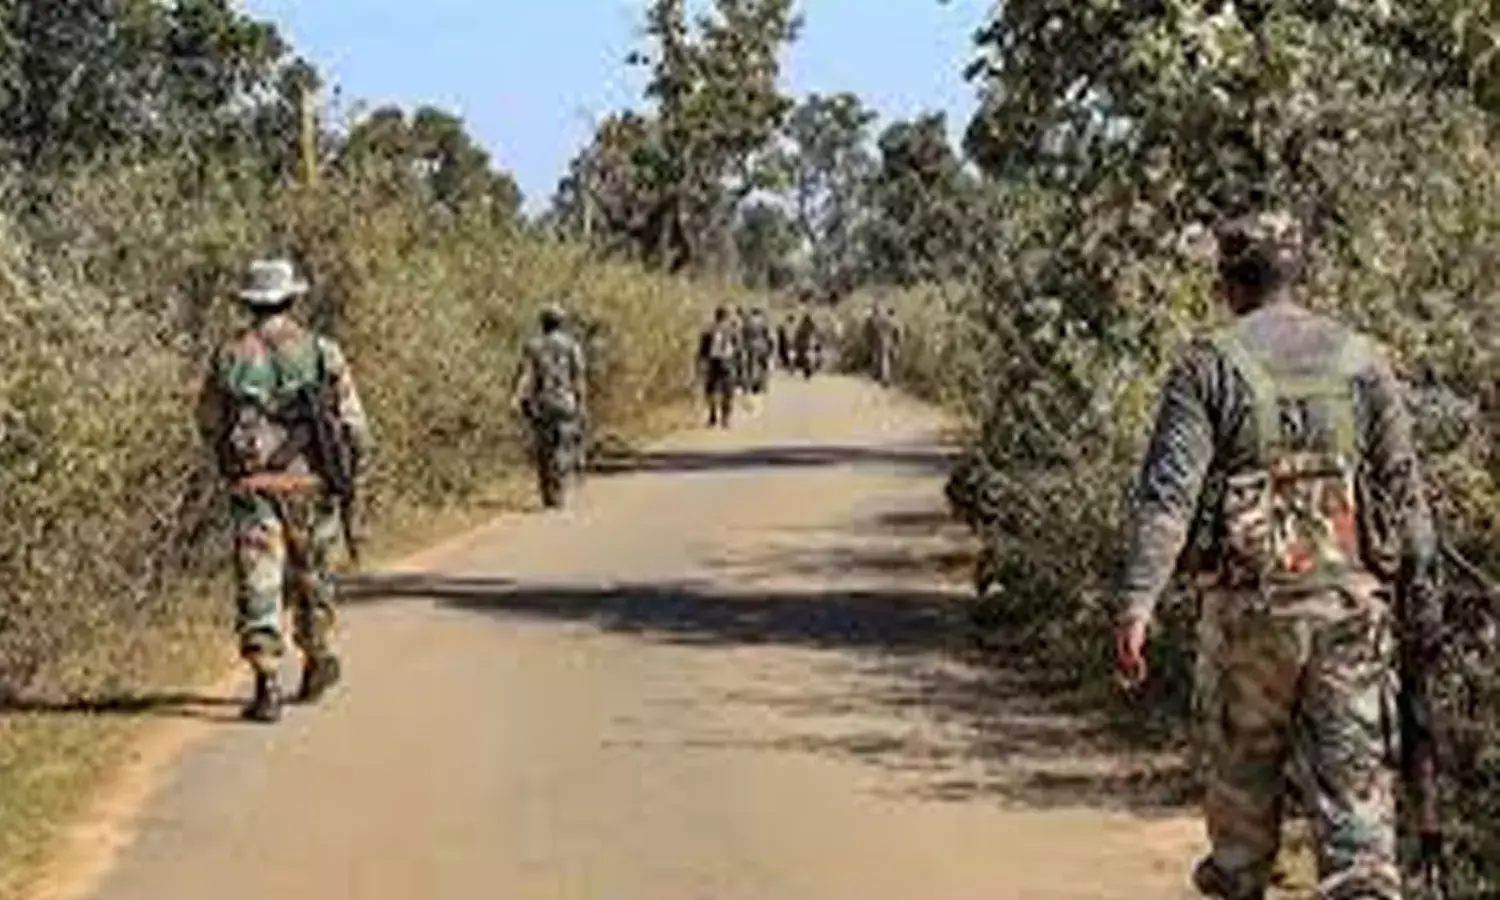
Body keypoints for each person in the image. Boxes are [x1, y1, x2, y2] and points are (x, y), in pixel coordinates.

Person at [1112, 211, 1436, 900]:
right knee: (1360, 839)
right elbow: (1408, 503)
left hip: (1247, 628)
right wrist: (1423, 613)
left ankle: (1239, 875)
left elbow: (1168, 497)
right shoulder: (1364, 361)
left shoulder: (1207, 365)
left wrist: (1138, 605)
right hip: (1352, 621)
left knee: (1240, 840)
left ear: (1229, 282)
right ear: (1298, 272)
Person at [197, 258, 374, 724]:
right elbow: (356, 426)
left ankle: (267, 685)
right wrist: (353, 478)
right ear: (292, 299)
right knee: (314, 579)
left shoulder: (229, 356)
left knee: (259, 581)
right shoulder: (323, 352)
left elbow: (208, 421)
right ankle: (316, 657)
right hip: (310, 487)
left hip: (254, 487)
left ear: (250, 303)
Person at [510, 303, 587, 509]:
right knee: (564, 443)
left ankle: (548, 491)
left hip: (542, 403)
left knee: (543, 447)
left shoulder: (532, 346)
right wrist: (581, 404)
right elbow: (578, 377)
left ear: (542, 323)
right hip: (566, 402)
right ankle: (560, 485)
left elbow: (524, 375)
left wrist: (517, 398)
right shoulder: (572, 346)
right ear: (561, 323)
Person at [697, 305, 740, 427]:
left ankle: (714, 417)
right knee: (726, 391)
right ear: (726, 317)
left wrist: (701, 363)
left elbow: (703, 349)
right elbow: (738, 348)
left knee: (713, 390)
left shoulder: (710, 330)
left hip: (715, 361)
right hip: (725, 362)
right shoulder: (730, 330)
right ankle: (723, 418)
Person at [741, 307, 774, 395]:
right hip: (761, 345)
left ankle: (749, 385)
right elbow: (767, 334)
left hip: (749, 345)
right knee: (763, 365)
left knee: (749, 366)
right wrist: (770, 346)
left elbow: (744, 334)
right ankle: (763, 385)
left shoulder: (747, 321)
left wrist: (744, 344)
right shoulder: (763, 321)